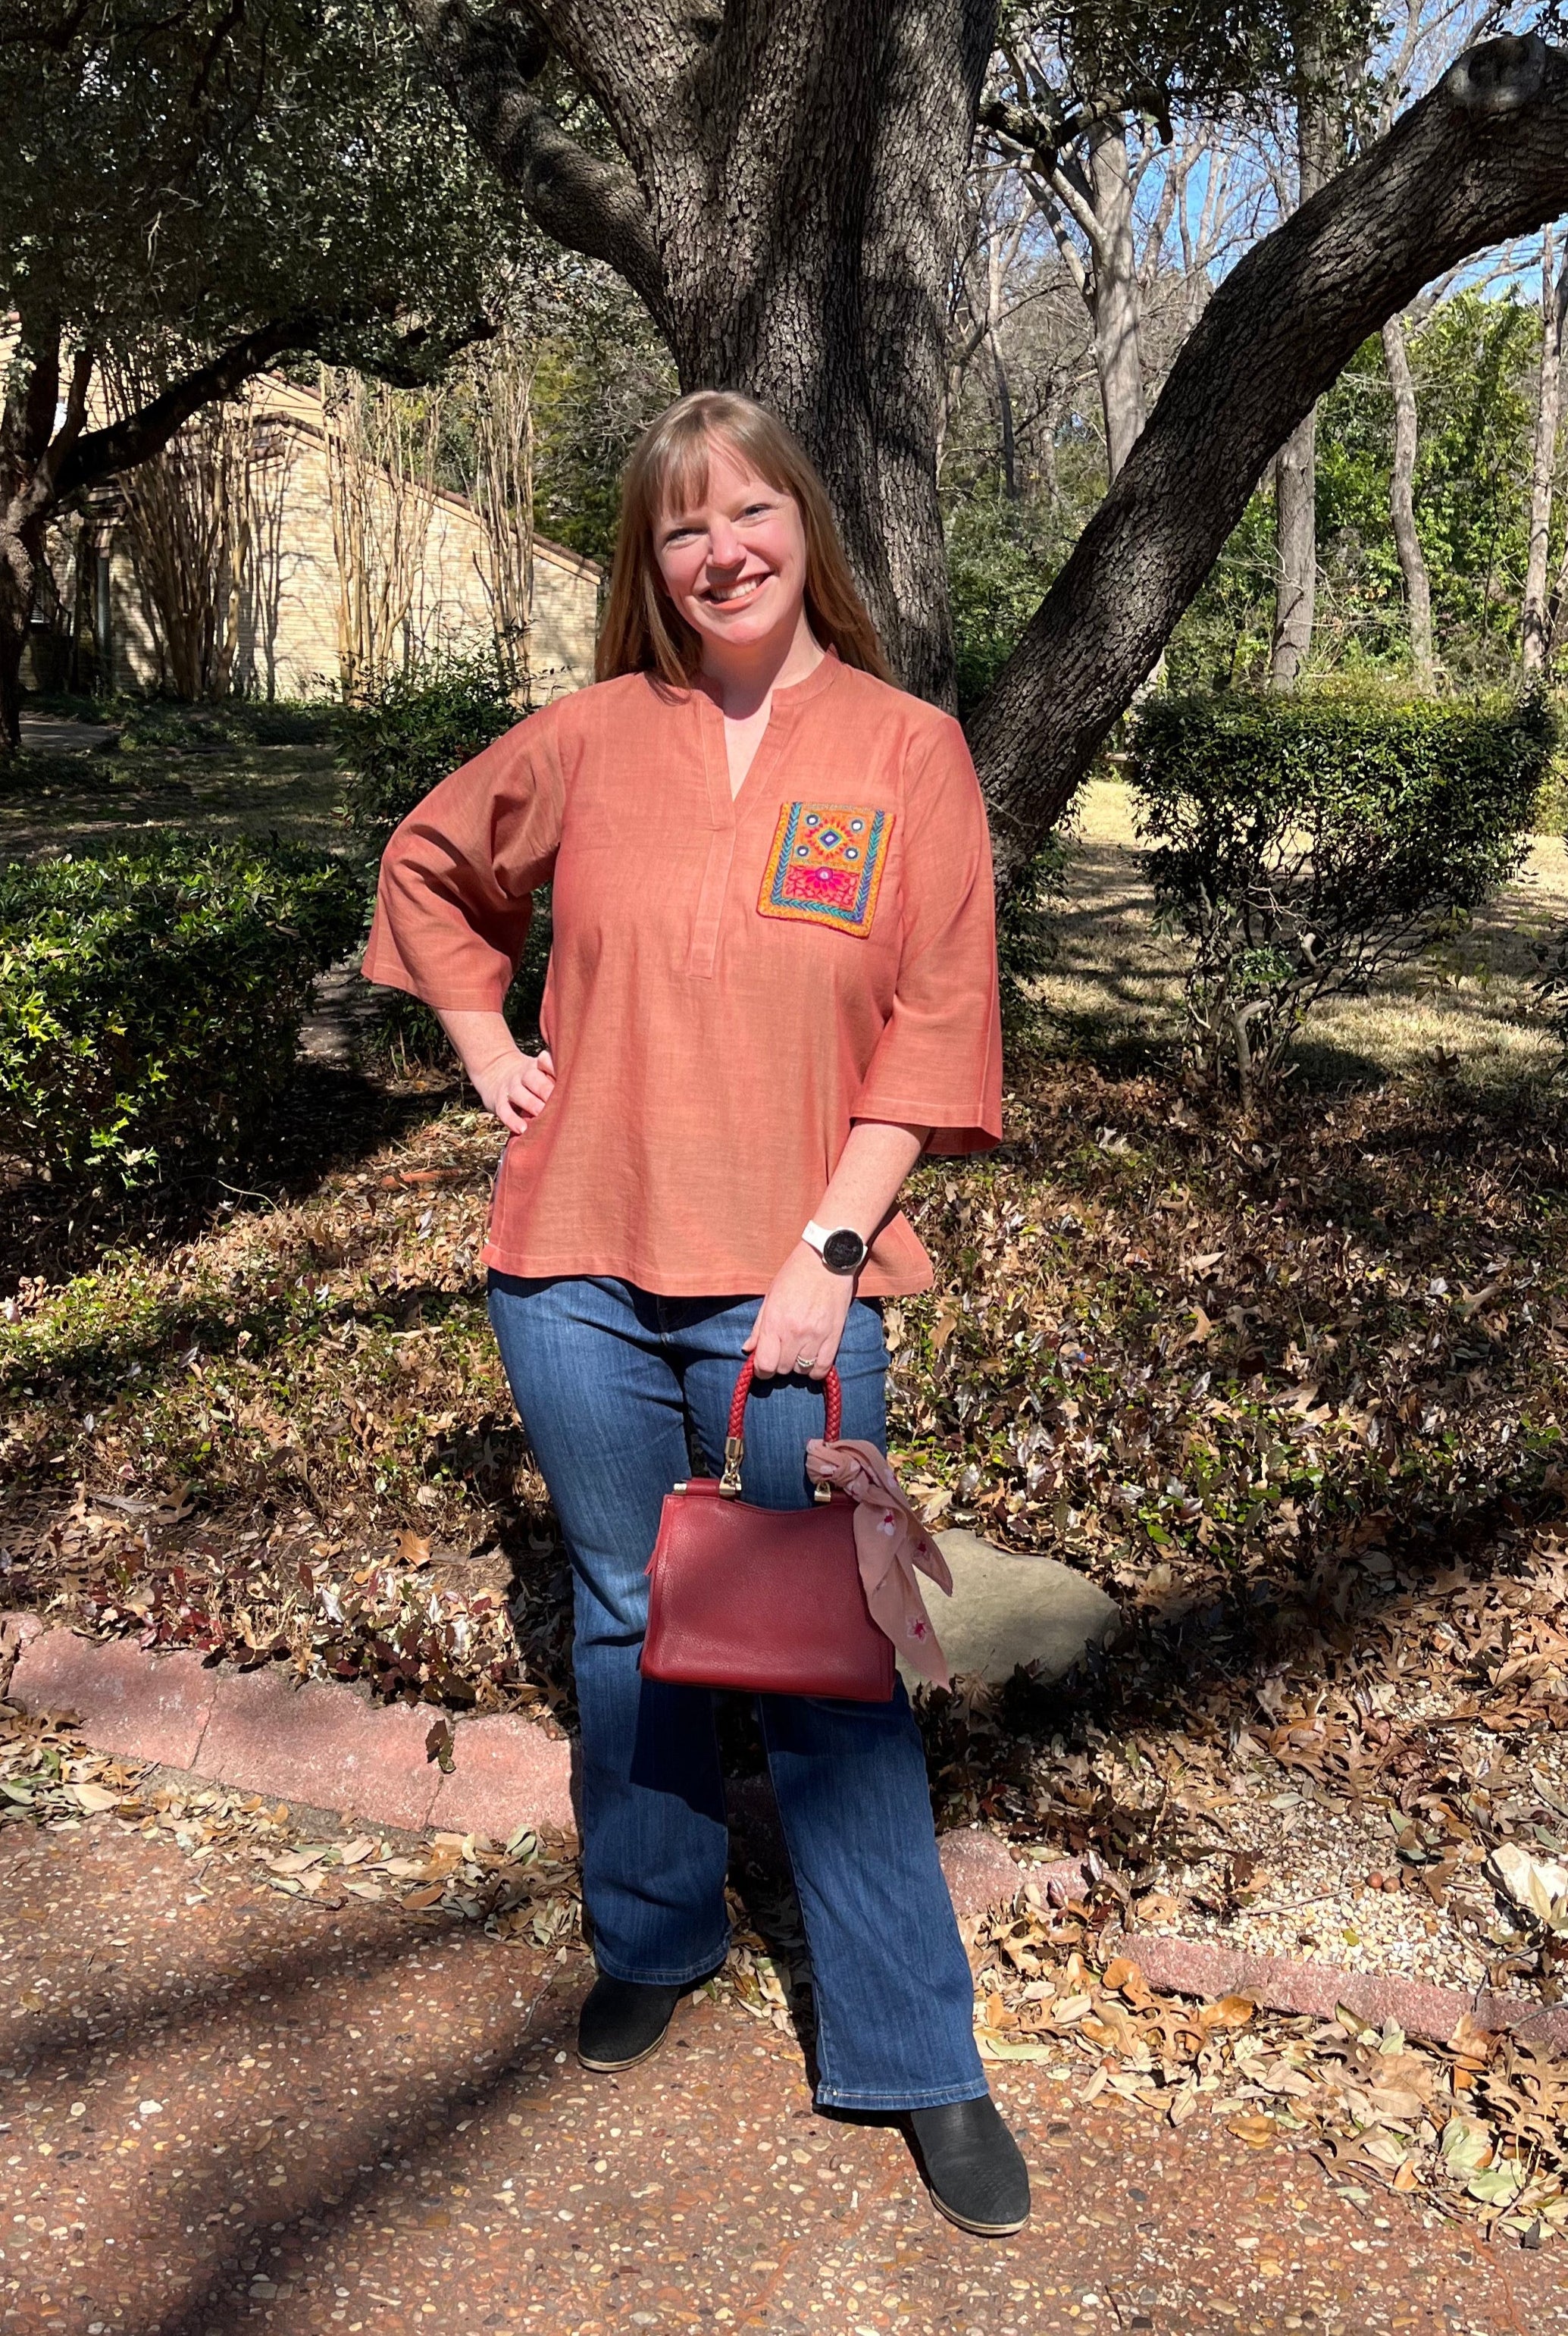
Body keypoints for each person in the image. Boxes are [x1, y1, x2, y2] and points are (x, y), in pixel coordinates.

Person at [361, 389, 1029, 2237]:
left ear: (803, 524)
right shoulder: (591, 735)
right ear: (649, 566)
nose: (722, 550)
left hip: (789, 1273)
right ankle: (654, 1931)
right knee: (624, 1611)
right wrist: (488, 1036)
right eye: (681, 528)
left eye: (748, 513)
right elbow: (431, 865)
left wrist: (825, 1258)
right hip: (571, 1251)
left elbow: (936, 1020)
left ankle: (915, 2045)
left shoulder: (906, 749)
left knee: (827, 1648)